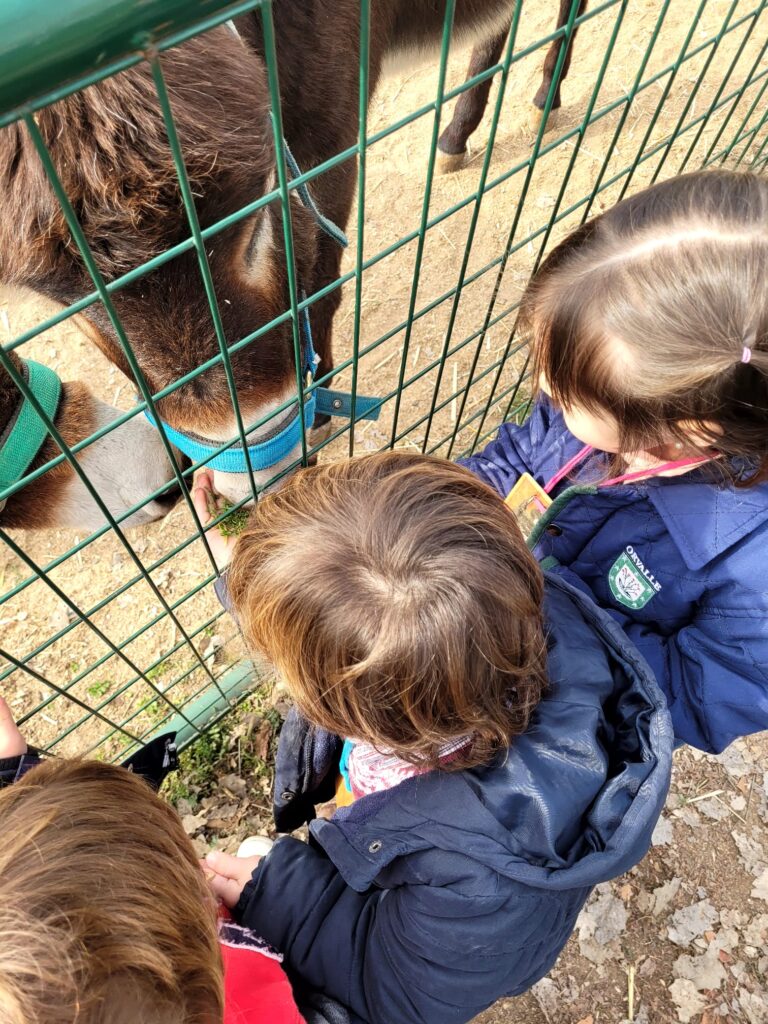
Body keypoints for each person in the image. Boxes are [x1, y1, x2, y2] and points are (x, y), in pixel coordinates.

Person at [193, 453, 672, 1024]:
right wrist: (248, 580)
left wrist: (284, 897)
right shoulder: (504, 620)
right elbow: (343, 620)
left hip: (435, 919)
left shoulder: (481, 888)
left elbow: (395, 990)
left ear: (352, 714)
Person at [460, 169, 768, 755]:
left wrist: (531, 634)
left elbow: (688, 699)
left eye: (565, 393)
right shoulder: (613, 414)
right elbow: (522, 454)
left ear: (685, 434)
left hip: (564, 714)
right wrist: (448, 509)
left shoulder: (756, 579)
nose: (541, 387)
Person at [0, 696, 304, 1024]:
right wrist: (276, 900)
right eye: (190, 873)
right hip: (266, 948)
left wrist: (14, 775)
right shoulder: (253, 996)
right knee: (258, 857)